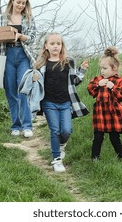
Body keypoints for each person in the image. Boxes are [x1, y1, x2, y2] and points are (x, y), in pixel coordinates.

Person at [33, 32, 89, 173]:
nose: (55, 46)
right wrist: (33, 79)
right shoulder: (41, 64)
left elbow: (75, 81)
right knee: (55, 130)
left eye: (58, 44)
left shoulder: (68, 62)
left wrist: (82, 70)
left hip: (65, 102)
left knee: (66, 130)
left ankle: (61, 144)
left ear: (62, 46)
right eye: (52, 44)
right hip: (48, 102)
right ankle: (56, 160)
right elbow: (35, 83)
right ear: (46, 46)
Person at [0, 0, 36, 138]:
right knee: (11, 91)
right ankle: (15, 125)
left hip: (23, 55)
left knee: (23, 89)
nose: (21, 5)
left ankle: (27, 125)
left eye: (23, 3)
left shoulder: (28, 19)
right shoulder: (2, 18)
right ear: (12, 1)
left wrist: (20, 36)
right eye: (18, 2)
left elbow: (33, 38)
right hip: (7, 55)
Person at [87, 47, 122, 161]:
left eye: (105, 68)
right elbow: (91, 91)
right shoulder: (99, 80)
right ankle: (94, 159)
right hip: (100, 113)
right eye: (101, 68)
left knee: (114, 137)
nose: (102, 71)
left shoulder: (120, 81)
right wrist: (98, 85)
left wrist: (113, 88)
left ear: (114, 68)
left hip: (112, 113)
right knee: (98, 137)